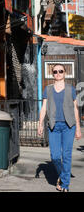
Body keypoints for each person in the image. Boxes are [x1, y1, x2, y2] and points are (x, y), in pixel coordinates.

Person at [38, 64, 82, 192]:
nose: (58, 73)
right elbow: (44, 108)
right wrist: (40, 124)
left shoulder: (71, 89)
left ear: (65, 73)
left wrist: (78, 128)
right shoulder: (48, 89)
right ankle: (63, 176)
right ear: (53, 74)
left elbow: (75, 109)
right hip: (54, 126)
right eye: (55, 72)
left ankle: (65, 185)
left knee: (66, 155)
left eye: (60, 71)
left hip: (68, 126)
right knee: (55, 157)